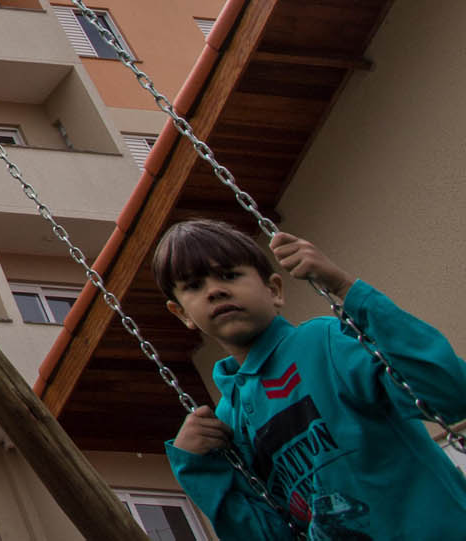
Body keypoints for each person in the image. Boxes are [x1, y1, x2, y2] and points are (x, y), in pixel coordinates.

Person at [154, 219, 466, 539]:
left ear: (274, 290)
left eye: (229, 275)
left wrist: (346, 288)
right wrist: (197, 467)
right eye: (193, 286)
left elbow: (449, 392)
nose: (215, 290)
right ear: (182, 314)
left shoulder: (325, 342)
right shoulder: (227, 421)